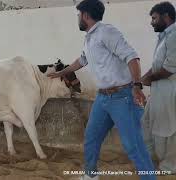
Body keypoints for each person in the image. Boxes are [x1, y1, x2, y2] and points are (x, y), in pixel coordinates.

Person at [48, 0, 156, 179]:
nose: (78, 19)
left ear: (85, 15)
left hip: (123, 97)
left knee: (133, 146)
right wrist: (63, 71)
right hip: (103, 98)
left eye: (78, 15)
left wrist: (137, 86)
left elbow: (132, 57)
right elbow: (83, 59)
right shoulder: (90, 37)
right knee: (91, 138)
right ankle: (91, 175)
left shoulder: (107, 32)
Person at [141, 1, 176, 174]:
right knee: (146, 123)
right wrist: (141, 80)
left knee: (169, 131)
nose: (152, 22)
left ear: (166, 16)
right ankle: (149, 161)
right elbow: (157, 66)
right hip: (158, 91)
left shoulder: (175, 35)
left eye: (154, 18)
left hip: (170, 92)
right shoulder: (164, 37)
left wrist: (148, 79)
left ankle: (169, 168)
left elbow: (169, 69)